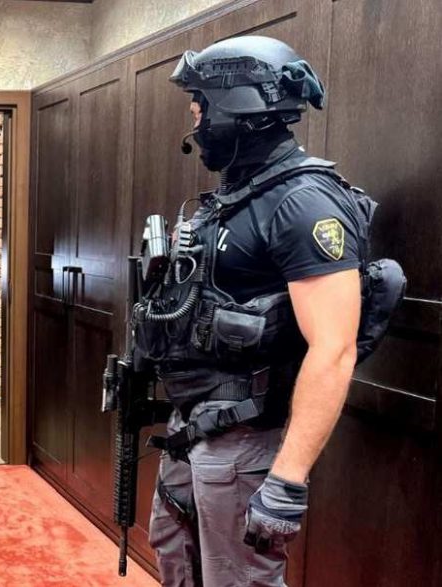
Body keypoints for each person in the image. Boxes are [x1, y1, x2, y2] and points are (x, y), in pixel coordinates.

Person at [137, 36, 364, 586]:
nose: (194, 121)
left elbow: (334, 348)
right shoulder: (235, 198)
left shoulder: (303, 202)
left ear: (238, 106)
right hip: (194, 425)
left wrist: (287, 480)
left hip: (243, 438)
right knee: (174, 554)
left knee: (237, 579)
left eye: (200, 105)